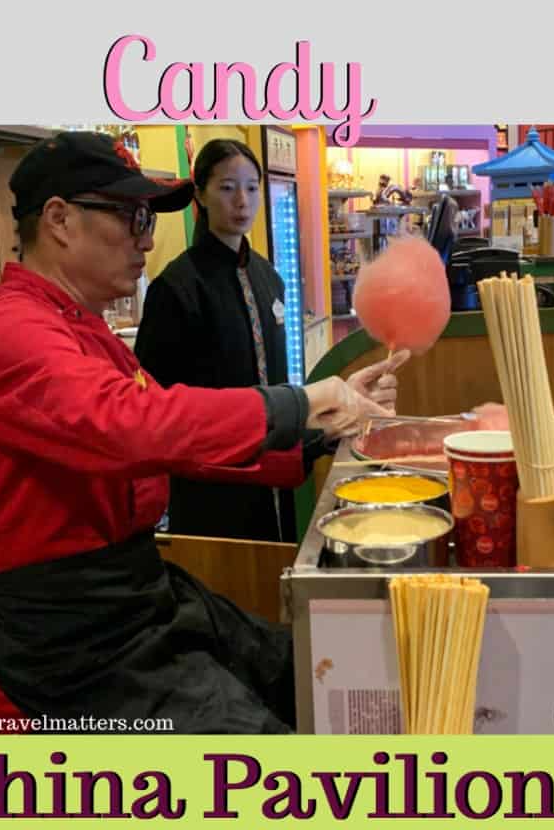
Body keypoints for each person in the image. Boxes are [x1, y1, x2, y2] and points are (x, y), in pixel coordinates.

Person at [0, 131, 401, 734]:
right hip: (61, 637)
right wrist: (301, 403)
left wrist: (322, 431)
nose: (147, 238)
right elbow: (138, 426)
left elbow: (176, 446)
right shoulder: (7, 332)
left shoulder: (85, 332)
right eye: (132, 217)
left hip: (134, 594)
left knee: (307, 669)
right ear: (58, 220)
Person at [136, 138, 407, 541]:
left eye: (250, 188)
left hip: (277, 469)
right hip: (210, 486)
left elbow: (280, 384)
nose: (241, 201)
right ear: (201, 195)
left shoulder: (269, 278)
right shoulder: (176, 288)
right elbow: (153, 406)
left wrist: (326, 419)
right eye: (227, 188)